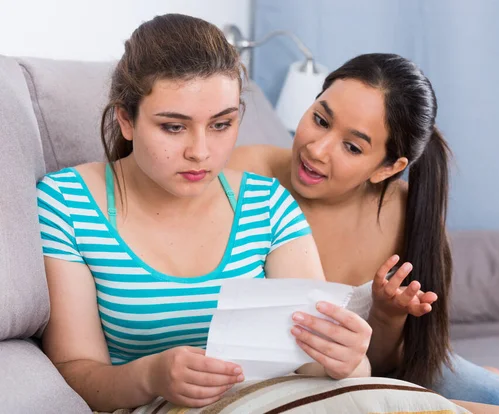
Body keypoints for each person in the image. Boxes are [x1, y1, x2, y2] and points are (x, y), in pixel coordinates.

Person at [35, 14, 372, 412]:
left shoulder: (267, 205)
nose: (200, 151)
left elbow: (309, 364)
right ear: (126, 119)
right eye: (174, 127)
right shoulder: (67, 204)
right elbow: (75, 372)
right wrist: (150, 376)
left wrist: (348, 359)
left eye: (221, 124)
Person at [228, 53, 499, 413]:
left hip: (378, 368)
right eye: (320, 120)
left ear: (387, 168)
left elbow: (385, 365)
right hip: (293, 375)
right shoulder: (244, 173)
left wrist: (387, 314)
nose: (317, 150)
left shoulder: (407, 213)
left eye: (352, 147)